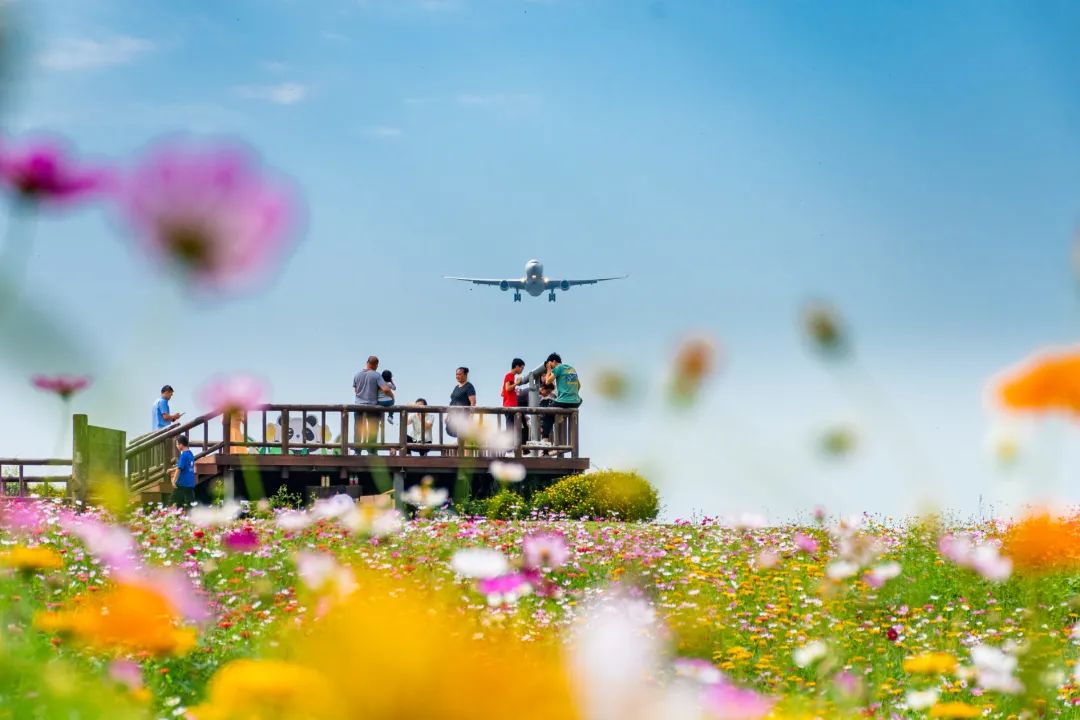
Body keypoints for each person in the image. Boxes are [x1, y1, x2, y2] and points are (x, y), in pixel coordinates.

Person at [353, 356, 394, 453]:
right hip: (372, 406)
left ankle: (357, 451)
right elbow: (385, 389)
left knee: (358, 429)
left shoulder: (357, 375)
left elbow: (355, 390)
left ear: (367, 362)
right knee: (372, 429)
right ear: (375, 364)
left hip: (358, 405)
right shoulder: (376, 375)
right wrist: (392, 396)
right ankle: (371, 451)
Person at [543, 353, 581, 450]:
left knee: (547, 412)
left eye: (550, 364)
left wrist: (548, 370)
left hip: (564, 401)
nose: (550, 366)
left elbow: (547, 381)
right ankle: (560, 416)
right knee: (555, 410)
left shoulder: (558, 368)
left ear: (554, 362)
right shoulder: (571, 369)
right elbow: (579, 385)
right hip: (576, 401)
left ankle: (545, 441)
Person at [502, 358, 528, 445]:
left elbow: (503, 392)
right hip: (510, 406)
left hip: (510, 405)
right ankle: (510, 448)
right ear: (517, 366)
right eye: (522, 368)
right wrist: (517, 383)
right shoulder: (509, 375)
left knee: (517, 426)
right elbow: (508, 388)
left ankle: (514, 447)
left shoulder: (510, 377)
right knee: (512, 428)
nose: (522, 370)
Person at [446, 366, 477, 437]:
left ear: (465, 375)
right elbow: (452, 402)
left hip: (463, 416)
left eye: (459, 374)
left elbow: (473, 403)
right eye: (456, 374)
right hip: (453, 416)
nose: (457, 376)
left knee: (462, 435)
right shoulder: (456, 387)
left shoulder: (469, 386)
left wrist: (470, 417)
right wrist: (448, 415)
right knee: (452, 432)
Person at [170, 435, 196, 507]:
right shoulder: (190, 454)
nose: (176, 446)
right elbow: (185, 466)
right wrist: (172, 469)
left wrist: (174, 480)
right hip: (190, 484)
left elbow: (179, 469)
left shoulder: (183, 455)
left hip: (182, 484)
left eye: (177, 444)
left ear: (181, 444)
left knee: (173, 503)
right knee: (190, 504)